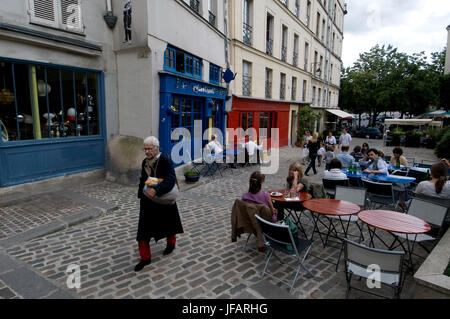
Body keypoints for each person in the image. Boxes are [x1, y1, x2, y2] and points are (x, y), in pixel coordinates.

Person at [135, 136, 184, 272]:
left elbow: (170, 179)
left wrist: (156, 190)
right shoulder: (145, 162)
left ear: (157, 148)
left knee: (169, 224)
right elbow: (143, 179)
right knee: (142, 232)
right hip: (148, 202)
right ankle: (145, 258)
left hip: (163, 200)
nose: (147, 152)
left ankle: (171, 244)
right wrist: (141, 193)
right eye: (145, 149)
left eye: (150, 149)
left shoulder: (165, 160)